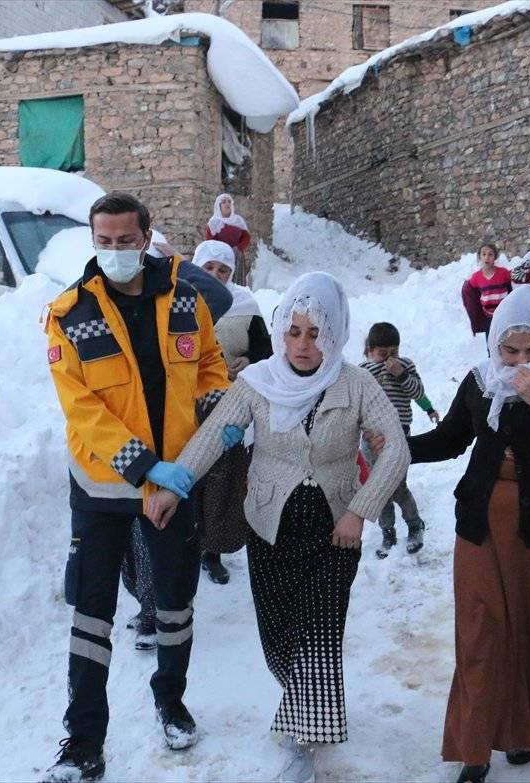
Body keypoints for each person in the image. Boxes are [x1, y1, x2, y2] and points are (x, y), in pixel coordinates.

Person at [147, 272, 411, 783]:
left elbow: (395, 449)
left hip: (336, 530)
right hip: (269, 526)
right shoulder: (258, 382)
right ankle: (308, 699)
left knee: (318, 630)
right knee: (278, 639)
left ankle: (303, 739)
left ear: (333, 335)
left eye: (316, 334)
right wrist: (172, 486)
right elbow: (214, 437)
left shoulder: (356, 384)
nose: (304, 345)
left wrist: (362, 509)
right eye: (294, 332)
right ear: (280, 331)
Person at [41, 192, 231, 783]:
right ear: (92, 241)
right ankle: (82, 743)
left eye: (126, 240)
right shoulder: (69, 313)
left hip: (174, 486)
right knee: (92, 613)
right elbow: (82, 410)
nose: (116, 251)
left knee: (174, 603)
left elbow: (210, 364)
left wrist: (216, 418)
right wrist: (145, 467)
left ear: (147, 237)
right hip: (104, 487)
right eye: (105, 241)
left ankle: (171, 702)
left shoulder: (184, 299)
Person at [407, 286, 530, 783]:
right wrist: (397, 449)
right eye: (509, 351)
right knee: (480, 634)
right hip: (483, 524)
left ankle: (524, 734)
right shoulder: (482, 382)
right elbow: (451, 439)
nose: (521, 362)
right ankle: (475, 748)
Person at [192, 239, 273, 584]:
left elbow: (266, 352)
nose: (215, 275)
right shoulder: (178, 299)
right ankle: (185, 544)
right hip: (187, 403)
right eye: (208, 268)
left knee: (222, 478)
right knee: (189, 474)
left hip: (233, 403)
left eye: (223, 270)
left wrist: (248, 362)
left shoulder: (244, 304)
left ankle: (213, 549)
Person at [359, 321, 438, 559]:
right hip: (372, 437)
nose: (388, 359)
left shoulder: (406, 367)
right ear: (370, 352)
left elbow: (417, 392)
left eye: (393, 352)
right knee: (378, 488)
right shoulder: (362, 372)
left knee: (397, 487)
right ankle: (388, 532)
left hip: (398, 435)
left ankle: (415, 525)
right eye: (382, 354)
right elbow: (356, 404)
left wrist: (429, 408)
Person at [461, 242, 512, 336]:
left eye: (490, 254)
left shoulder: (503, 273)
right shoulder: (476, 277)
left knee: (505, 341)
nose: (487, 257)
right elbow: (469, 291)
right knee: (490, 344)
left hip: (504, 315)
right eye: (483, 254)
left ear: (495, 257)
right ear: (480, 257)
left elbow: (515, 280)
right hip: (488, 317)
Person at [205, 193, 250, 266]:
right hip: (220, 257)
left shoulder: (238, 220)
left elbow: (246, 237)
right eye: (224, 202)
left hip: (236, 256)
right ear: (219, 206)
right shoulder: (213, 222)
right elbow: (210, 241)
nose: (227, 204)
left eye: (229, 201)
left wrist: (238, 248)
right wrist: (222, 251)